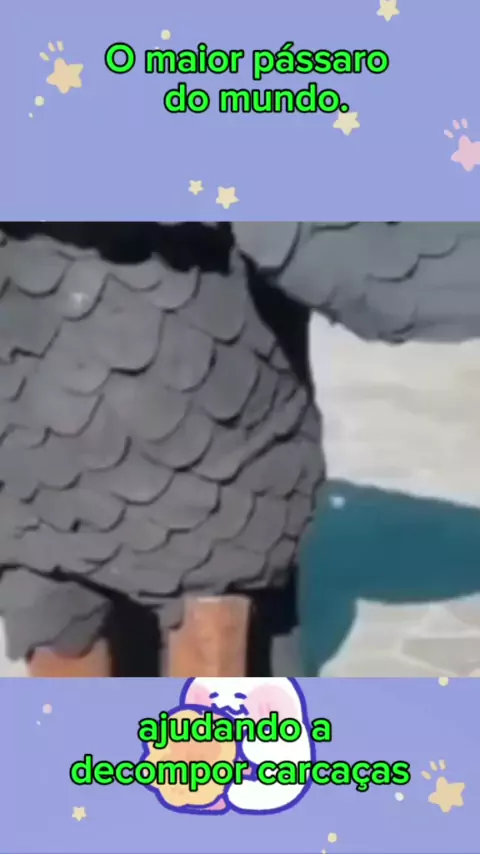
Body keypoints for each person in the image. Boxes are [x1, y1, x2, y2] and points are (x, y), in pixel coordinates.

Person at [0, 221, 479, 678]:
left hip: (185, 449)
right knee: (63, 614)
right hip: (57, 452)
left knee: (195, 615)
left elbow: (355, 264)